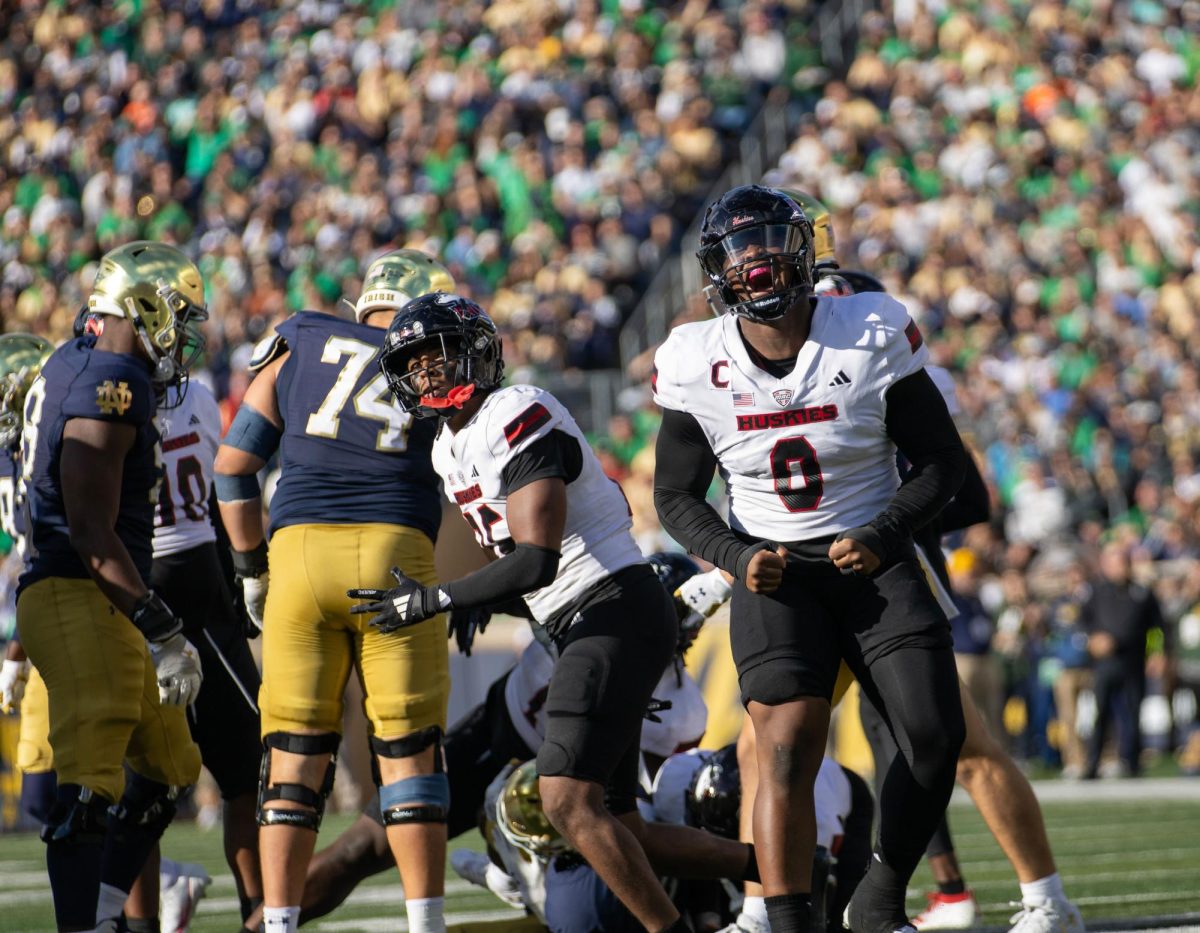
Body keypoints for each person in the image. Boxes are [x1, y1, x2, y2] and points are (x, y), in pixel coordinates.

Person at [359, 292, 760, 933]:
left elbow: (538, 560)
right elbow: (522, 570)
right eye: (413, 365)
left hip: (610, 608)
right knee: (621, 821)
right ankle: (785, 869)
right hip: (583, 617)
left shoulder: (517, 410)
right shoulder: (444, 448)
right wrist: (479, 596)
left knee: (567, 800)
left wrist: (440, 597)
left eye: (438, 358)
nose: (426, 374)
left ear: (477, 354)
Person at [652, 185, 969, 933]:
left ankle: (883, 887)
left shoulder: (868, 328)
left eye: (767, 240)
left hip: (874, 557)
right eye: (738, 247)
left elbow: (941, 461)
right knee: (786, 744)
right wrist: (732, 553)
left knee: (934, 733)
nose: (754, 258)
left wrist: (886, 533)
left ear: (803, 253)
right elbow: (675, 495)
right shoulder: (697, 359)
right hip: (776, 570)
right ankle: (789, 921)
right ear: (716, 270)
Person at [243, 551, 711, 930]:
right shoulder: (584, 614)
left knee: (588, 892)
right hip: (495, 738)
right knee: (363, 848)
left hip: (563, 801)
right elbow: (514, 577)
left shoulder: (682, 713)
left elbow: (632, 817)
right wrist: (471, 600)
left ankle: (522, 874)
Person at [213, 249, 456, 933]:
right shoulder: (435, 350)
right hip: (395, 551)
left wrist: (252, 569)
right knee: (409, 749)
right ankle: (425, 923)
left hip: (299, 554)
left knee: (292, 755)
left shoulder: (300, 338)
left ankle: (281, 921)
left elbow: (233, 470)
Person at [16, 241, 207, 932]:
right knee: (91, 779)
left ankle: (101, 908)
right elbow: (91, 532)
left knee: (168, 762)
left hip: (100, 592)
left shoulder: (77, 359)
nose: (182, 337)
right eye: (178, 318)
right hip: (77, 588)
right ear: (145, 306)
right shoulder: (111, 379)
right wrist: (162, 624)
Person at [151, 372, 264, 927]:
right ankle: (152, 907)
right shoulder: (97, 398)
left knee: (251, 773)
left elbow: (220, 499)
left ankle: (260, 915)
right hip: (141, 604)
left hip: (207, 602)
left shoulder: (196, 395)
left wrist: (239, 578)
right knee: (136, 792)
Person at [1081, 542, 1168, 780]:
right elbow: (1081, 624)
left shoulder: (1142, 593)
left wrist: (1157, 652)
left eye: (1123, 562)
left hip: (1133, 659)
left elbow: (1158, 629)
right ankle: (1093, 763)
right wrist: (1092, 640)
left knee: (1132, 712)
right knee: (1100, 714)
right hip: (1105, 663)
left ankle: (1132, 762)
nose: (1120, 568)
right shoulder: (1096, 592)